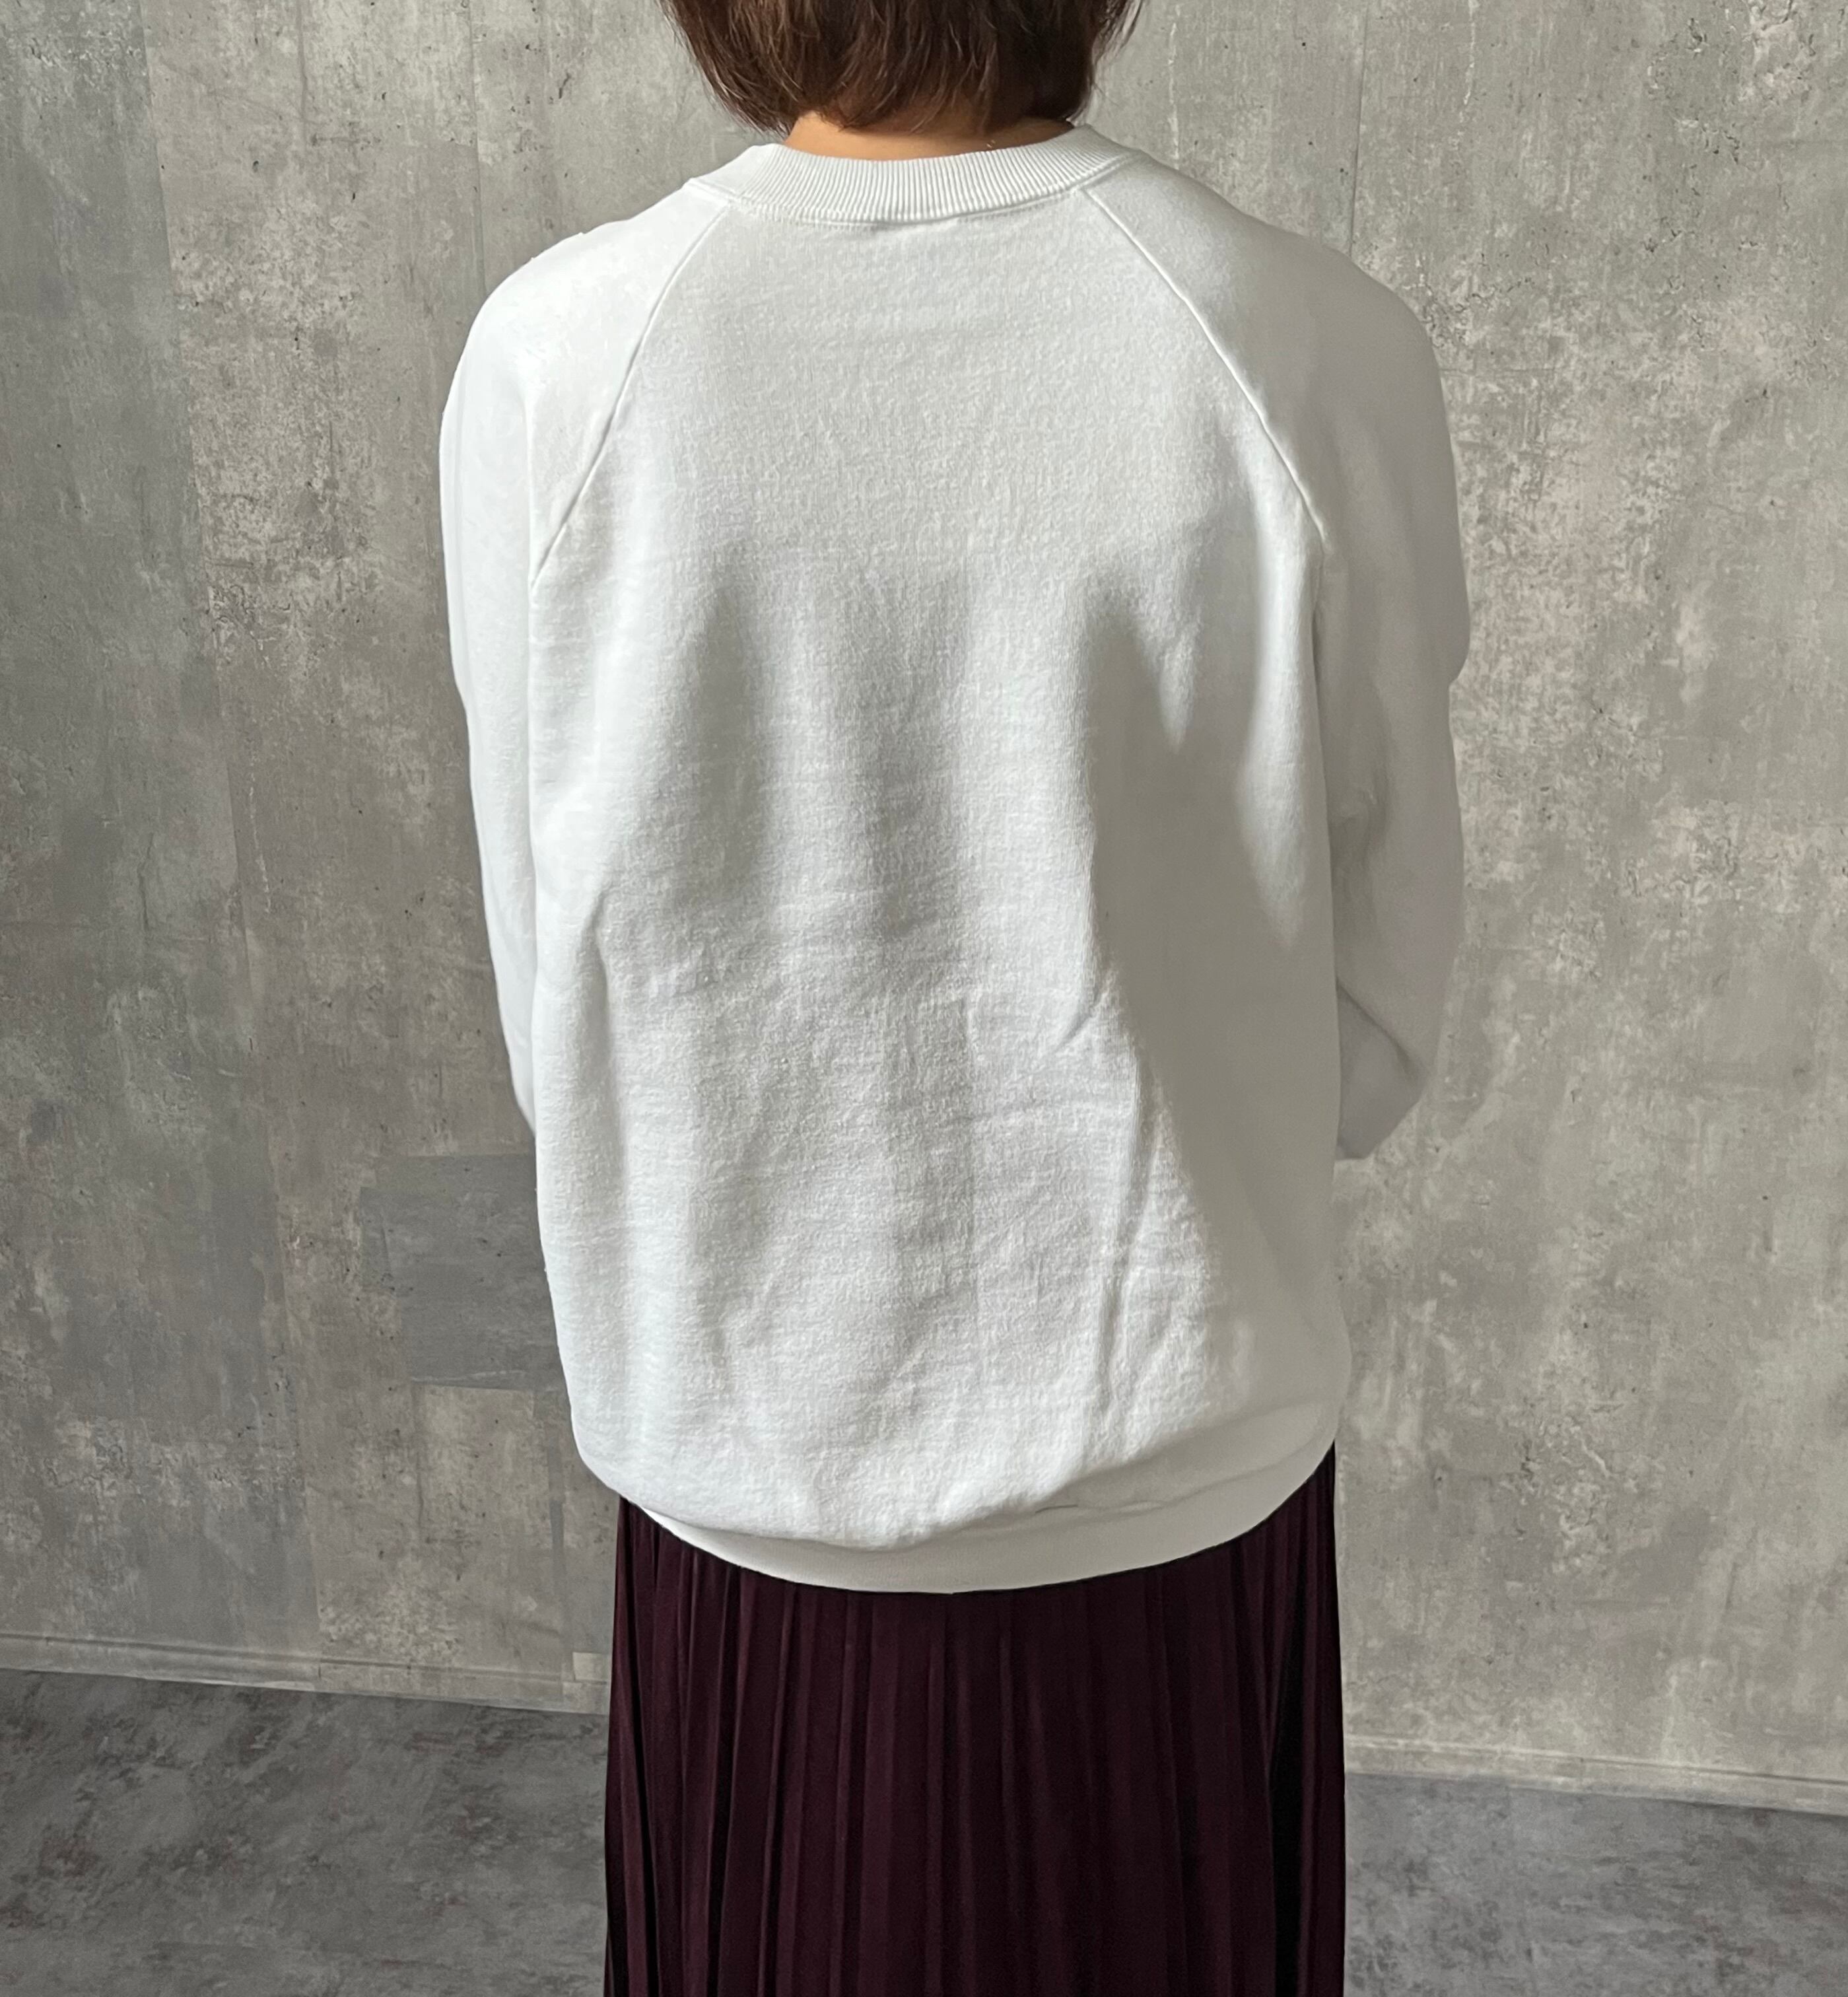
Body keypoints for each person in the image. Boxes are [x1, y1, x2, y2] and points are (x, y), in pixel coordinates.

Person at [436, 1, 1471, 1989]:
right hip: (1172, 1447)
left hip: (749, 1449)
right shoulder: (1303, 342)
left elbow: (555, 968)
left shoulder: (564, 354)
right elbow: (1378, 981)